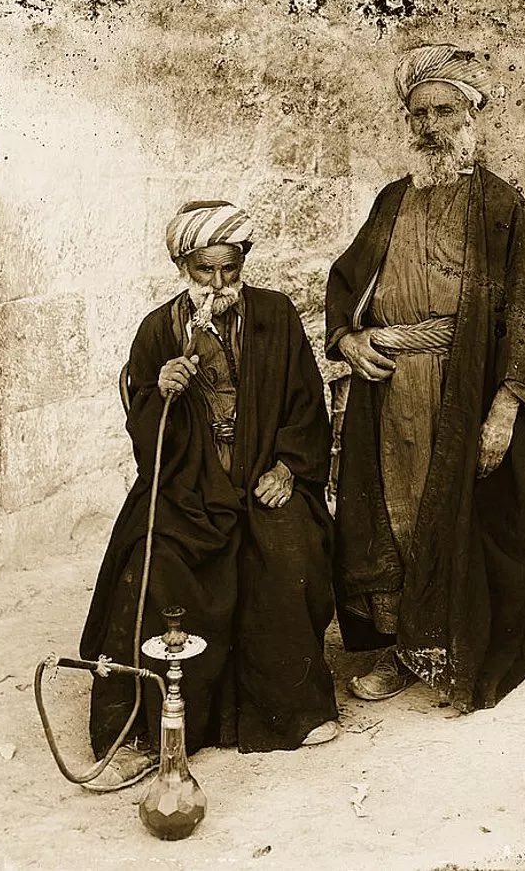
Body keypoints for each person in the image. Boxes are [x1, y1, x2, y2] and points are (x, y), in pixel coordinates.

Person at [80, 200, 338, 790]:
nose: (219, 284)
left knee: (289, 546)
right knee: (151, 564)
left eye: (229, 268)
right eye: (204, 270)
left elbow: (306, 403)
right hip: (188, 482)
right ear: (183, 266)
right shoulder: (157, 330)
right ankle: (145, 735)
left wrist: (290, 469)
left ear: (242, 260)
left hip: (263, 475)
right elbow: (148, 434)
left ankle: (291, 711)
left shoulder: (275, 316)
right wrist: (160, 394)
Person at [326, 43, 525, 713]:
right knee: (392, 518)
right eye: (417, 113)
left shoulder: (500, 207)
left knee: (452, 516)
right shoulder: (391, 199)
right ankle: (401, 650)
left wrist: (504, 408)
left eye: (444, 110)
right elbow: (345, 283)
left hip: (462, 387)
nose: (429, 125)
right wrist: (348, 338)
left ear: (470, 116)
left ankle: (452, 648)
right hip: (389, 388)